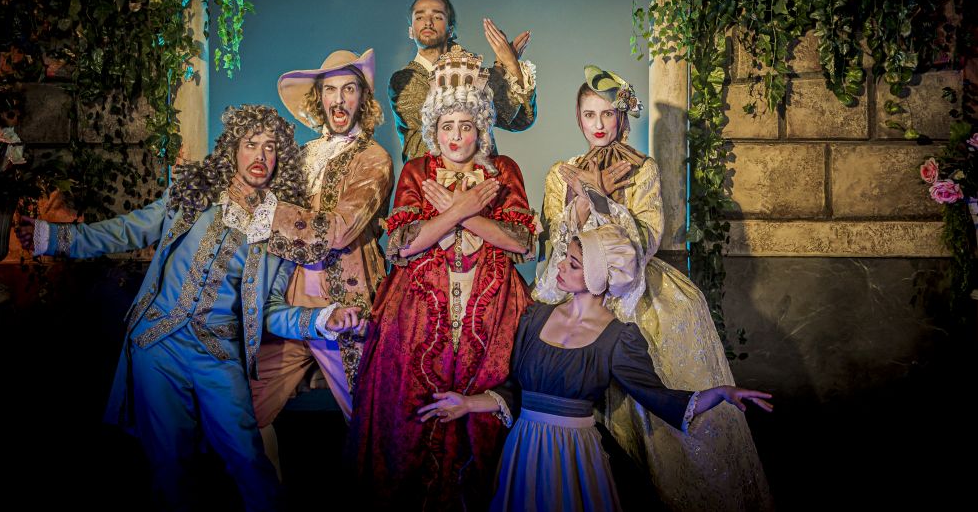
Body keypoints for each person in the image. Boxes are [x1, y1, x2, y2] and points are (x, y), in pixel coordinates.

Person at [16, 105, 363, 511]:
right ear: (233, 149)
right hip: (158, 342)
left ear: (280, 159)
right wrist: (53, 238)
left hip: (218, 355)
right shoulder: (193, 197)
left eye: (270, 148)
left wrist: (320, 319)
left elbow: (269, 311)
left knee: (248, 459)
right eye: (251, 144)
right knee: (169, 465)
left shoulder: (280, 232)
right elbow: (127, 230)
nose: (260, 155)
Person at [532, 65, 774, 511]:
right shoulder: (560, 174)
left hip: (636, 287)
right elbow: (558, 242)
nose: (599, 125)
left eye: (608, 113)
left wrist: (599, 198)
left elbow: (646, 237)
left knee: (651, 395)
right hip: (577, 286)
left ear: (622, 116)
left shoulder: (643, 169)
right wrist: (586, 198)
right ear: (578, 118)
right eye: (589, 115)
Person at [418, 220, 774, 512]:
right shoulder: (534, 317)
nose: (560, 266)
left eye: (573, 264)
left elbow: (660, 398)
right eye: (565, 258)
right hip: (524, 451)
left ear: (598, 275)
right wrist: (467, 404)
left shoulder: (618, 338)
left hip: (574, 456)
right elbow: (514, 390)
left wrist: (720, 392)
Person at [349, 46, 538, 511]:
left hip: (491, 306)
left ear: (481, 127)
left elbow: (519, 243)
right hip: (417, 309)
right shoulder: (418, 171)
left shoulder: (504, 170)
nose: (456, 136)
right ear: (434, 128)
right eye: (447, 126)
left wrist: (462, 212)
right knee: (408, 416)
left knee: (483, 420)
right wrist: (460, 210)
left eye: (466, 125)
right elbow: (404, 246)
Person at [236, 49, 393, 467]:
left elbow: (337, 230)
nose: (339, 100)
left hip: (347, 307)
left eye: (349, 89)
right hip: (288, 307)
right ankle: (264, 496)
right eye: (330, 90)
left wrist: (268, 210)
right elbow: (253, 206)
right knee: (239, 412)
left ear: (363, 98)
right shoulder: (303, 155)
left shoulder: (374, 159)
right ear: (319, 98)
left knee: (371, 424)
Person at [388, 0, 537, 161]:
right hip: (430, 175)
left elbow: (520, 120)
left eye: (437, 17)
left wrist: (513, 68)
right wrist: (502, 68)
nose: (428, 22)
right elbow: (451, 116)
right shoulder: (404, 80)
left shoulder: (475, 73)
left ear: (451, 30)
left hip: (482, 173)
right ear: (411, 31)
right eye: (419, 17)